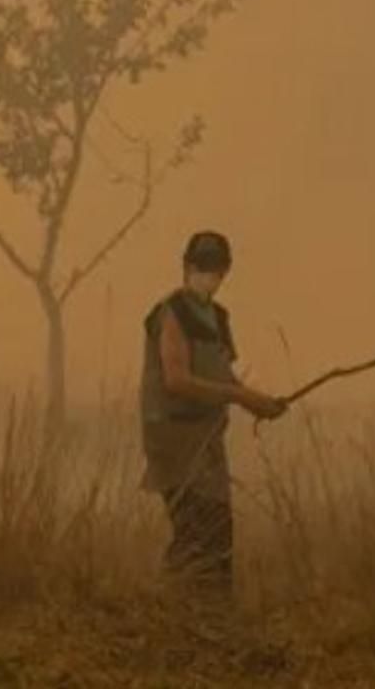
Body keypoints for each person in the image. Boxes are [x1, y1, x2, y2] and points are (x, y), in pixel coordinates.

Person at [139, 230, 288, 596]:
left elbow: (227, 372)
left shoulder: (218, 318)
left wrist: (262, 401)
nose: (210, 276)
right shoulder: (169, 313)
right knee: (193, 530)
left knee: (218, 535)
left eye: (217, 269)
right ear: (187, 266)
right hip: (173, 438)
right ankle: (169, 613)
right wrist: (240, 396)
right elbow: (177, 380)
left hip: (208, 438)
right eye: (202, 266)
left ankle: (213, 625)